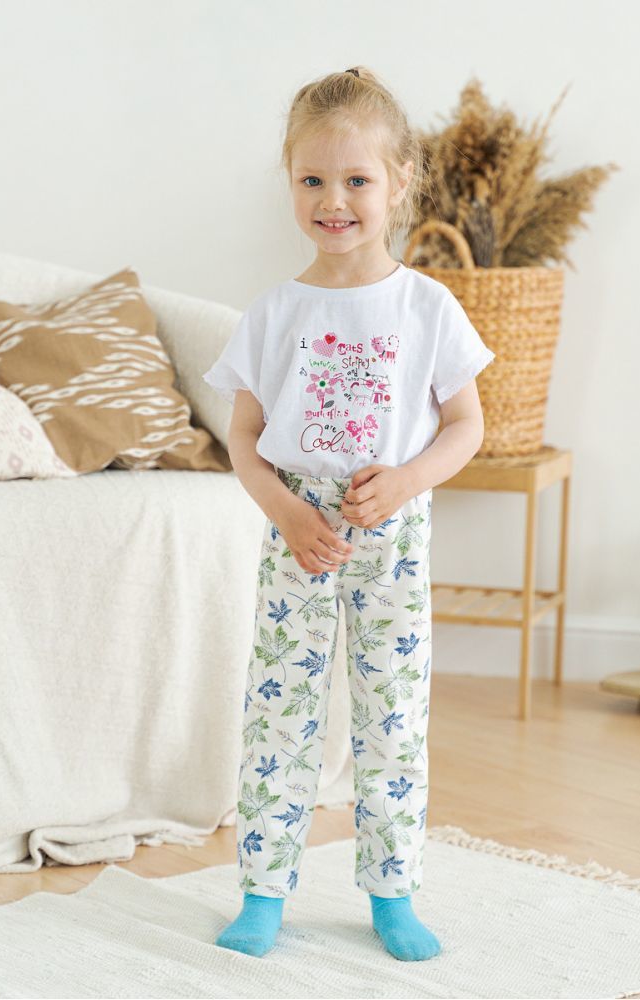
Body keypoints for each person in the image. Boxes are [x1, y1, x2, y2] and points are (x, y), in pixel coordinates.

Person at [202, 66, 495, 962]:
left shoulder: (427, 307)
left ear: (400, 182)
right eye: (313, 180)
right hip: (299, 531)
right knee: (280, 711)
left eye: (356, 179)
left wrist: (405, 483)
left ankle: (392, 892)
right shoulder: (274, 312)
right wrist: (288, 513)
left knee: (392, 715)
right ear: (290, 182)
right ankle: (263, 890)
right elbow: (243, 439)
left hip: (393, 533)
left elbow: (467, 426)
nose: (334, 201)